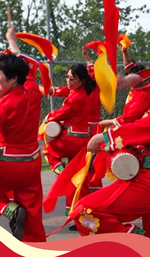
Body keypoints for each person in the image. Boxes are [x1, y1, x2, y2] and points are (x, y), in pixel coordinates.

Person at [69, 52, 150, 257]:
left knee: (85, 211)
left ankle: (140, 245)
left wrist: (104, 138)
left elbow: (138, 129)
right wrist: (133, 80)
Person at [0, 53, 46, 242]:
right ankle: (37, 249)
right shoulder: (34, 92)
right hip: (33, 161)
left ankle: (11, 210)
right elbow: (28, 75)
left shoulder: (2, 106)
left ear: (13, 79)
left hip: (8, 163)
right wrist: (13, 45)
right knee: (33, 211)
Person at [42, 63, 95, 221]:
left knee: (49, 150)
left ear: (82, 80)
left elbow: (63, 112)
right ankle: (79, 212)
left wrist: (48, 117)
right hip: (84, 138)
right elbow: (58, 91)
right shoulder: (80, 91)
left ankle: (61, 172)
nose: (69, 80)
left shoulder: (76, 96)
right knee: (79, 177)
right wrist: (44, 88)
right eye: (67, 77)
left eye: (73, 78)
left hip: (72, 139)